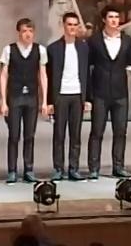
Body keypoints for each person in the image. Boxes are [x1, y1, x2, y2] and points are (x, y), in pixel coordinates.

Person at [86, 5, 131, 180]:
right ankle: (94, 167)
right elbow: (88, 66)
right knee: (97, 131)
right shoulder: (94, 41)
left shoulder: (127, 41)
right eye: (111, 17)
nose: (114, 20)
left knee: (120, 131)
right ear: (104, 20)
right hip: (99, 92)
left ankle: (118, 166)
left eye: (116, 17)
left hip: (120, 93)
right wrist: (89, 95)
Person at [0, 18, 48, 184]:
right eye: (24, 31)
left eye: (30, 31)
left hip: (32, 97)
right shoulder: (9, 50)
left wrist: (44, 100)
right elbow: (4, 76)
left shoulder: (40, 50)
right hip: (14, 97)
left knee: (30, 135)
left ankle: (28, 169)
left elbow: (43, 75)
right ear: (18, 33)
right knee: (14, 135)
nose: (28, 34)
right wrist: (3, 101)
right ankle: (12, 171)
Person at [46, 12, 90, 181]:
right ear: (63, 26)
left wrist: (88, 98)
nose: (72, 28)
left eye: (75, 25)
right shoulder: (53, 48)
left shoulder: (84, 47)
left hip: (77, 95)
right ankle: (58, 168)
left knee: (75, 134)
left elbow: (87, 74)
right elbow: (49, 76)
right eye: (69, 24)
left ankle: (74, 168)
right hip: (61, 95)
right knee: (59, 134)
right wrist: (50, 101)